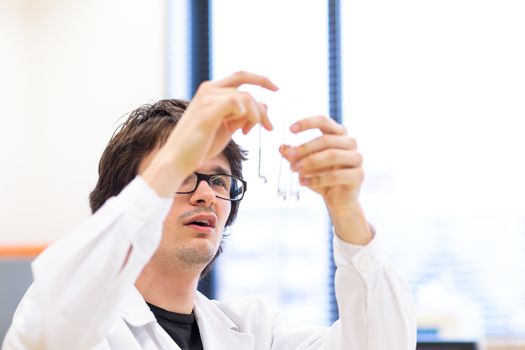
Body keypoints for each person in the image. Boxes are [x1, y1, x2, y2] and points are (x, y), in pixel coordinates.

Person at [3, 71, 416, 350]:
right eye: (184, 174)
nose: (206, 196)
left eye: (219, 180)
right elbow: (46, 329)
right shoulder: (86, 323)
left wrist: (347, 210)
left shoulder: (254, 331)